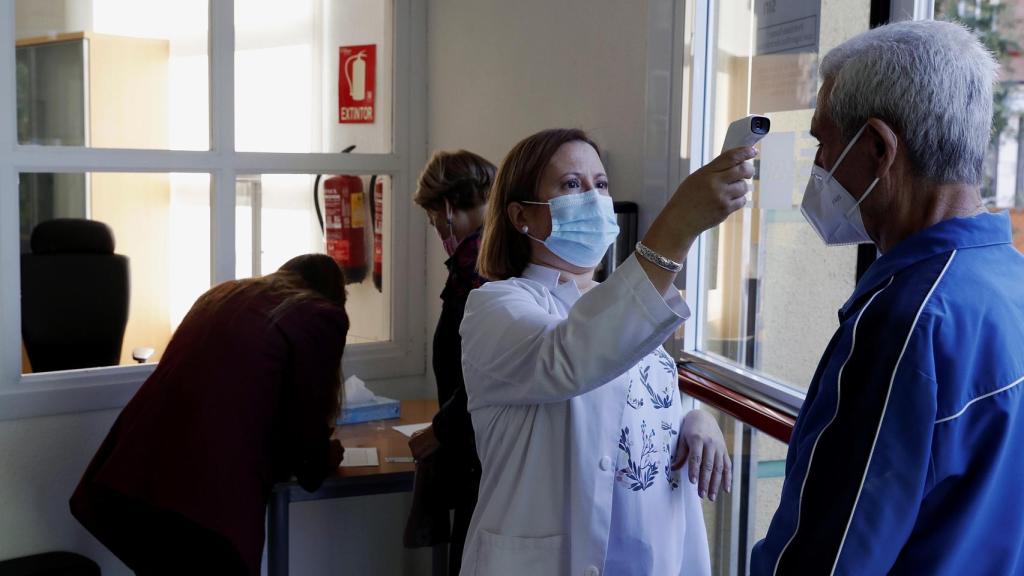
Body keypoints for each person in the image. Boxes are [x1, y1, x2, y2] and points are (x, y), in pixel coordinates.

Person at [750, 20, 1024, 575]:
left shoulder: (907, 322)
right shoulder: (1009, 281)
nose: (820, 167)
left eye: (823, 143)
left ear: (877, 148)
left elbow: (827, 557)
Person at [459, 128, 756, 575]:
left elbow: (628, 409)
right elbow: (573, 359)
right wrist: (677, 226)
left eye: (600, 184)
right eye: (572, 185)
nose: (594, 198)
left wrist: (692, 419)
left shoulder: (628, 304)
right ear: (522, 216)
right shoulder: (496, 307)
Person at [70, 254, 349, 576]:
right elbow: (305, 428)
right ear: (334, 295)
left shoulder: (223, 295)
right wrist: (322, 459)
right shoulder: (320, 315)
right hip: (203, 496)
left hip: (135, 478)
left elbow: (238, 394)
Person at [406, 150, 495, 575]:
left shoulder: (481, 269)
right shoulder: (484, 259)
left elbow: (489, 369)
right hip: (474, 449)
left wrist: (441, 429)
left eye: (433, 221)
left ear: (446, 209)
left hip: (482, 456)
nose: (437, 230)